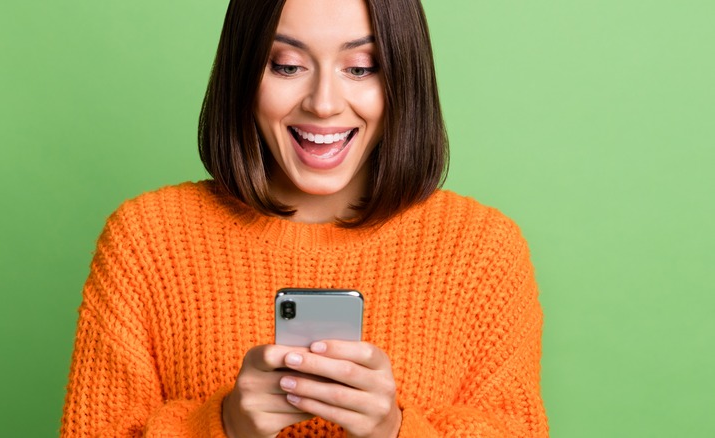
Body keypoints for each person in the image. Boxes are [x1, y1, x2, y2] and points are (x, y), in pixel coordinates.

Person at [60, 0, 548, 436]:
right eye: (287, 65)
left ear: (403, 77)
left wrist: (395, 431)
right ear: (244, 72)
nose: (324, 103)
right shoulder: (148, 239)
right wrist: (223, 427)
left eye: (360, 67)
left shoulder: (481, 249)